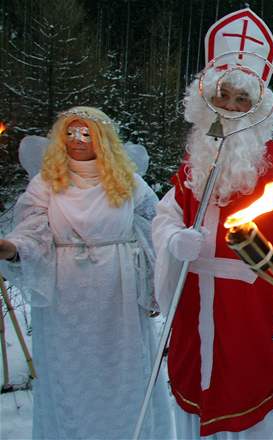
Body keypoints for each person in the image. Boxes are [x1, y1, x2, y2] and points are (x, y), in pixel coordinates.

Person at [151, 8, 273, 438]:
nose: (230, 106)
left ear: (258, 107)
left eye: (241, 99)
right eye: (223, 95)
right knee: (199, 394)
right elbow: (164, 216)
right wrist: (176, 241)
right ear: (206, 99)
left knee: (257, 411)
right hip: (197, 311)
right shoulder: (194, 160)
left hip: (256, 313)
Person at [0, 107, 172, 439]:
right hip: (66, 296)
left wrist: (155, 284)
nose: (76, 140)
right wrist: (11, 247)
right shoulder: (47, 182)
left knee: (122, 374)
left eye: (85, 133)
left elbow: (155, 229)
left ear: (102, 139)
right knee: (69, 377)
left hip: (117, 294)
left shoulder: (127, 181)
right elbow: (32, 231)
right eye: (69, 133)